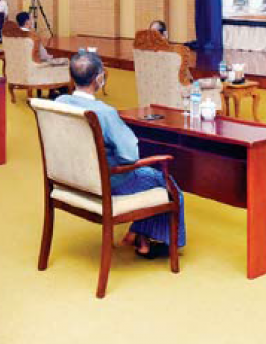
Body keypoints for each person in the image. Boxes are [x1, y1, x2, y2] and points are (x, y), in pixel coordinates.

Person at [55, 52, 186, 257]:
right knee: (166, 184)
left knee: (148, 178)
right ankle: (152, 243)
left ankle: (138, 234)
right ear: (99, 78)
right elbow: (130, 155)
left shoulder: (59, 102)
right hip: (107, 181)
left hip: (72, 178)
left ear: (72, 76)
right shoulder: (103, 112)